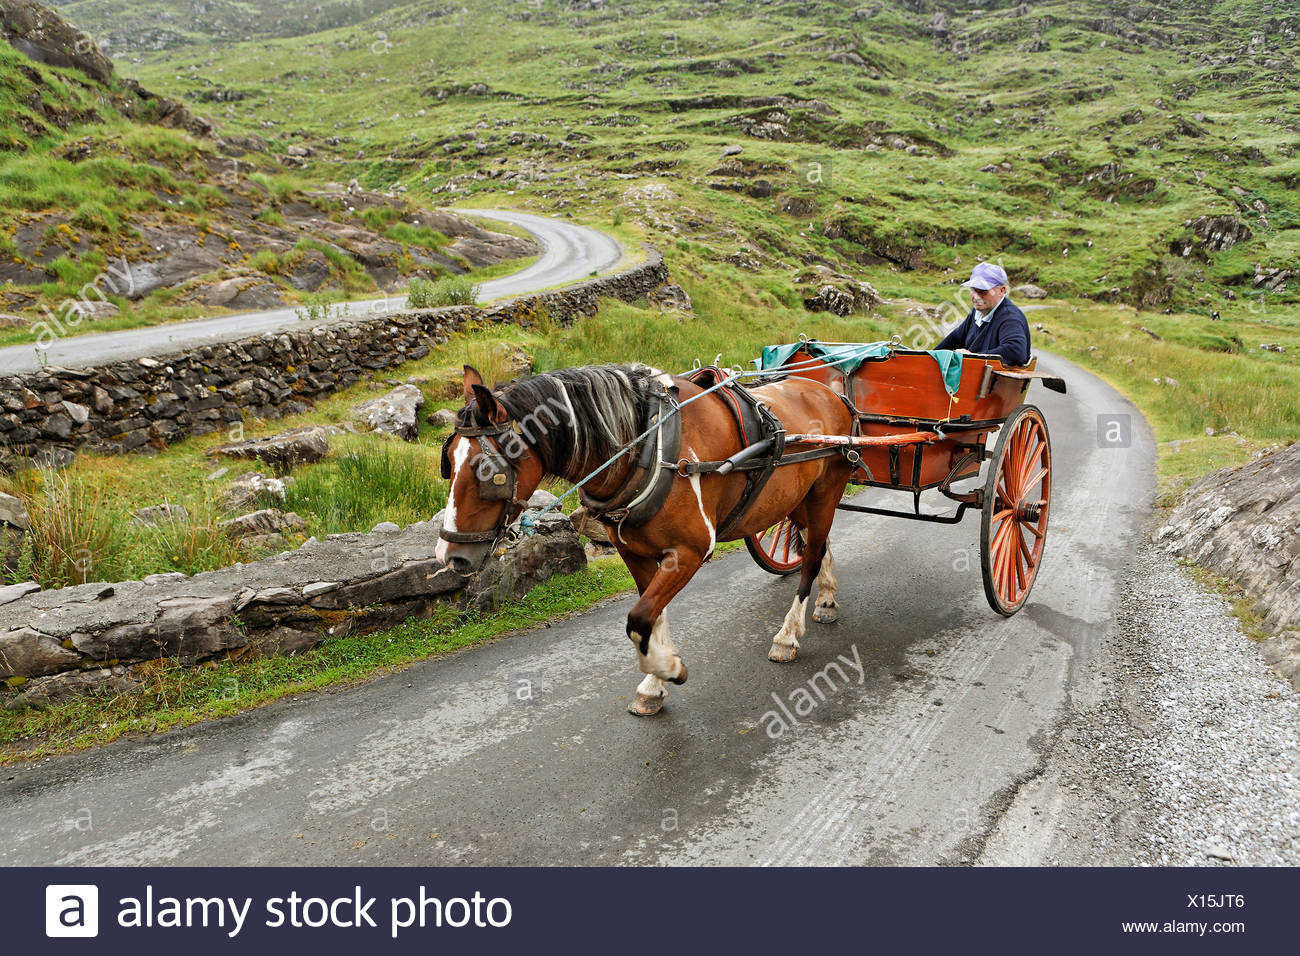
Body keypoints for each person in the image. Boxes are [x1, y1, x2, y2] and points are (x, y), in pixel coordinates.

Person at [937, 262, 1031, 366]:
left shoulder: (1010, 317)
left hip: (992, 381)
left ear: (1001, 290)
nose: (976, 297)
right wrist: (928, 357)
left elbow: (1016, 351)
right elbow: (954, 339)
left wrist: (973, 357)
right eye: (973, 290)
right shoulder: (976, 313)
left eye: (983, 291)